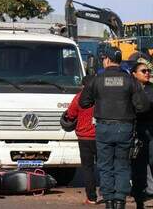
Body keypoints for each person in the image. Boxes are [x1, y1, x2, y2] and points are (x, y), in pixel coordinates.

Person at [79, 45, 150, 209]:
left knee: (105, 166)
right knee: (122, 165)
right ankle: (120, 202)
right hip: (125, 128)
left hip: (103, 128)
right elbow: (143, 106)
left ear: (107, 60)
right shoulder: (130, 81)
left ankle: (109, 202)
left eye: (103, 59)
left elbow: (84, 102)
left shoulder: (97, 80)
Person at [66, 75, 97, 205]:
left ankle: (91, 198)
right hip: (101, 136)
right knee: (107, 167)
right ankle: (111, 196)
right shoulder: (102, 96)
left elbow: (71, 114)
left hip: (84, 137)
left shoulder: (79, 97)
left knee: (88, 168)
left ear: (83, 86)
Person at [130, 57, 153, 209]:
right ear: (134, 74)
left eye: (148, 71)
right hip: (134, 131)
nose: (147, 73)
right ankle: (139, 195)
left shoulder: (151, 89)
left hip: (150, 131)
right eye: (143, 71)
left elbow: (145, 107)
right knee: (137, 165)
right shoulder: (130, 88)